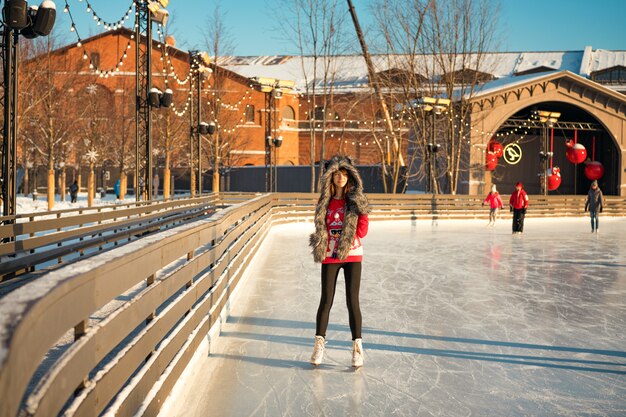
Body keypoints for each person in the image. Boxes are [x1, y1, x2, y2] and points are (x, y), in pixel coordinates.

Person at [309, 155, 370, 368]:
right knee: (326, 299)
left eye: (344, 174)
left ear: (349, 177)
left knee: (352, 301)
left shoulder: (354, 200)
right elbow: (320, 227)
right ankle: (319, 345)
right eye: (337, 174)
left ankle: (357, 348)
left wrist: (362, 211)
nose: (341, 178)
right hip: (330, 255)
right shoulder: (325, 202)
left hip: (352, 254)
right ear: (331, 177)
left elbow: (362, 231)